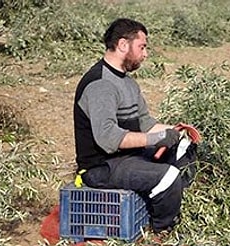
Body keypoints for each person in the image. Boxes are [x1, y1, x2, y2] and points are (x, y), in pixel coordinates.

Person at [73, 18, 197, 232]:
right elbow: (109, 139)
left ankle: (167, 201)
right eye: (142, 47)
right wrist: (156, 139)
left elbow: (145, 123)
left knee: (185, 147)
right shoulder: (100, 84)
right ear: (123, 45)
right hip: (103, 166)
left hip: (128, 157)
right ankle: (161, 231)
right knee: (169, 175)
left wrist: (177, 131)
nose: (145, 54)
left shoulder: (128, 83)